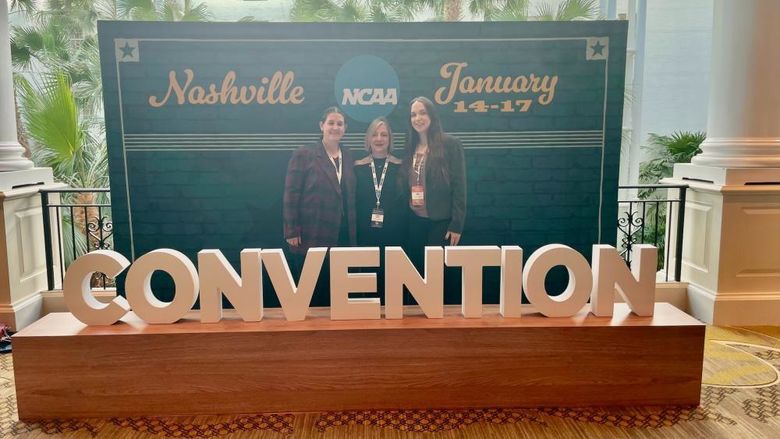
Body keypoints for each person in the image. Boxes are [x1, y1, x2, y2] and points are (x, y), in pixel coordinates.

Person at [283, 107, 356, 305]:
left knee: (337, 290)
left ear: (345, 128)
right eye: (331, 123)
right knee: (313, 292)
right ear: (321, 126)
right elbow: (291, 194)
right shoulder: (304, 154)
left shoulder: (349, 157)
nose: (335, 127)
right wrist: (291, 230)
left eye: (339, 124)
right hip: (311, 233)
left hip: (342, 233)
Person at [400, 96, 467, 268]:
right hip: (414, 220)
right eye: (413, 115)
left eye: (422, 113)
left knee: (436, 273)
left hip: (441, 222)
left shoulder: (450, 144)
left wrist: (457, 225)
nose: (418, 118)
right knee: (416, 271)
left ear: (432, 116)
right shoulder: (409, 147)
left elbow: (460, 186)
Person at [354, 117, 407, 248]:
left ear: (389, 140)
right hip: (364, 233)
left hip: (395, 233)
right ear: (368, 139)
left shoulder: (401, 166)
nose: (379, 139)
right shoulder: (357, 167)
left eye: (384, 135)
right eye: (374, 134)